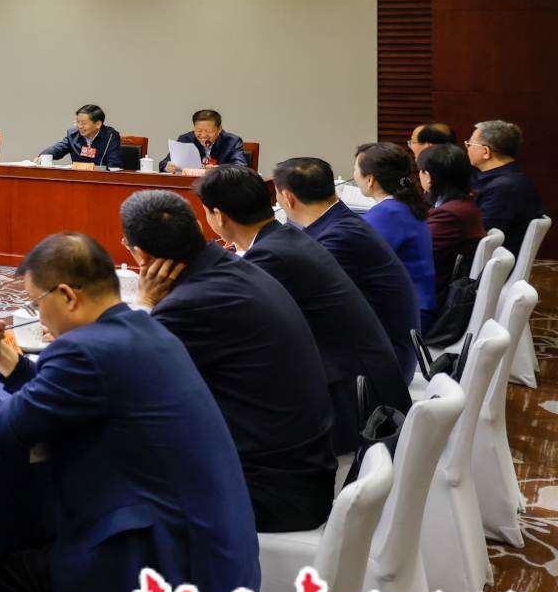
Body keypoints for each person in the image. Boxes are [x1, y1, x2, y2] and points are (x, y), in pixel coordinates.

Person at [0, 232, 257, 592]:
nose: (38, 317)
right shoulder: (143, 330)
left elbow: (2, 432)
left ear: (68, 295)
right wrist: (5, 358)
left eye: (37, 303)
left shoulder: (84, 352)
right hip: (212, 555)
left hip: (163, 573)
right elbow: (66, 394)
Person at [120, 189, 336, 532]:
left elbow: (127, 380)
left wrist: (144, 302)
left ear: (139, 254)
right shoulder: (230, 269)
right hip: (301, 471)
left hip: (270, 493)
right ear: (197, 227)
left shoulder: (192, 303)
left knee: (107, 470)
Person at [194, 166, 409, 455]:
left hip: (357, 408)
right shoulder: (285, 238)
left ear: (219, 216)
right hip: (365, 384)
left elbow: (226, 326)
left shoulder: (270, 255)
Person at [273, 157, 421, 383]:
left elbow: (298, 305)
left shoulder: (338, 239)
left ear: (287, 198)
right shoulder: (341, 223)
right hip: (382, 355)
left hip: (377, 374)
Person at [354, 143, 436, 316]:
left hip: (405, 313)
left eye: (355, 170)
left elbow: (356, 260)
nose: (354, 175)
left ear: (370, 180)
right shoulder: (402, 205)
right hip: (414, 306)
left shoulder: (387, 213)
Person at [468, 120, 545, 260]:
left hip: (490, 263)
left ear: (486, 152)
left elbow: (480, 237)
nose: (467, 148)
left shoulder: (504, 188)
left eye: (470, 144)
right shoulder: (507, 179)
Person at [417, 143, 487, 290]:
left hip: (432, 290)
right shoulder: (462, 204)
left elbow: (418, 253)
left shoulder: (450, 214)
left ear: (428, 176)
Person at [160, 109, 249, 172]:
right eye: (199, 131)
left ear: (219, 129)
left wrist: (218, 169)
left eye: (208, 131)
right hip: (191, 185)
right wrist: (167, 167)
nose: (203, 135)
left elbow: (241, 167)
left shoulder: (232, 142)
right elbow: (164, 163)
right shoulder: (186, 139)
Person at [41, 104, 123, 170]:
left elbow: (114, 165)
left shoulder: (110, 136)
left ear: (98, 124)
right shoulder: (73, 134)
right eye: (78, 122)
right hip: (78, 179)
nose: (80, 126)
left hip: (100, 180)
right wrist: (42, 156)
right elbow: (58, 149)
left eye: (83, 123)